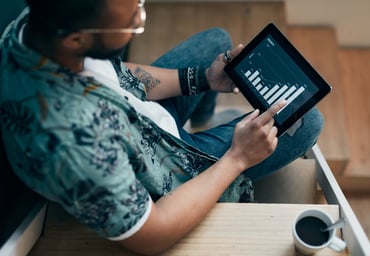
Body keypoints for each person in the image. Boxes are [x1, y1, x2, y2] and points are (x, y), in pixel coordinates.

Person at [0, 0, 324, 255]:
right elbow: (151, 235)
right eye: (131, 21)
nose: (140, 17)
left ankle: (202, 124)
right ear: (76, 39)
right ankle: (208, 147)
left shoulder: (34, 29)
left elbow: (114, 75)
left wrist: (202, 79)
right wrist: (237, 159)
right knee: (306, 122)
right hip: (163, 180)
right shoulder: (74, 148)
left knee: (215, 41)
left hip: (141, 126)